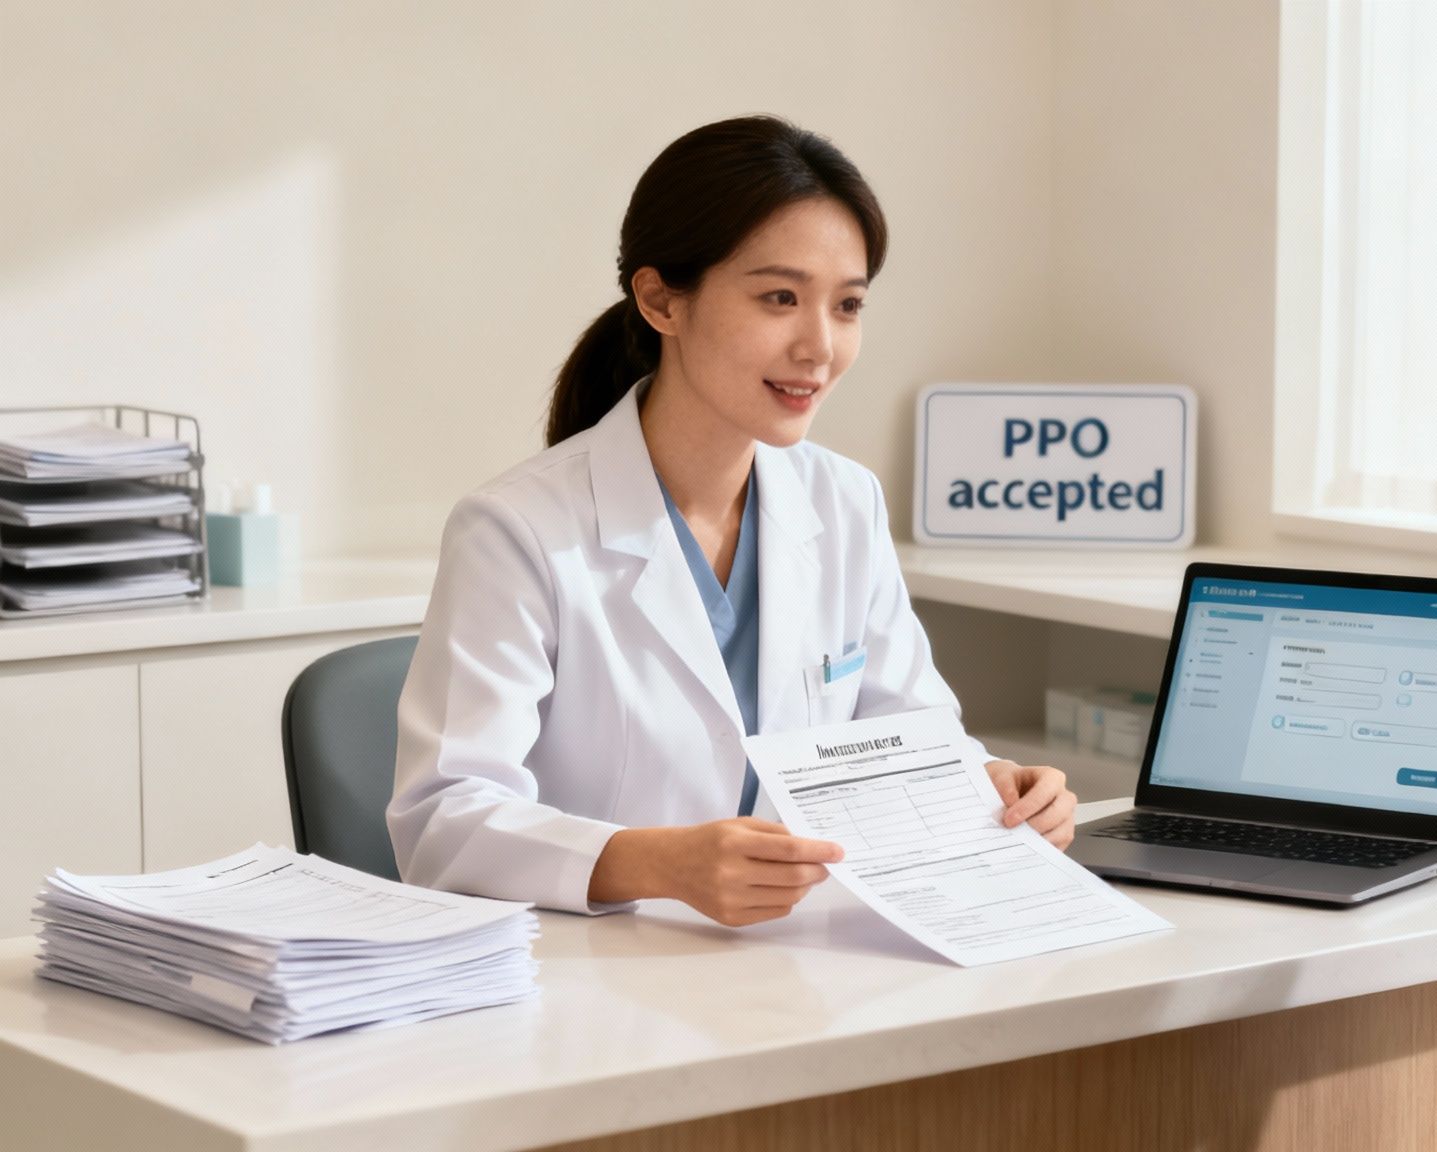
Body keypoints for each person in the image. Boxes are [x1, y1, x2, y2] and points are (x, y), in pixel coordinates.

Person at [388, 116, 1077, 925]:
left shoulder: (843, 503)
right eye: (779, 298)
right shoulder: (517, 529)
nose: (819, 346)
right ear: (660, 300)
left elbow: (910, 735)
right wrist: (657, 862)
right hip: (595, 980)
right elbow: (443, 821)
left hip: (805, 960)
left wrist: (990, 783)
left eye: (847, 305)